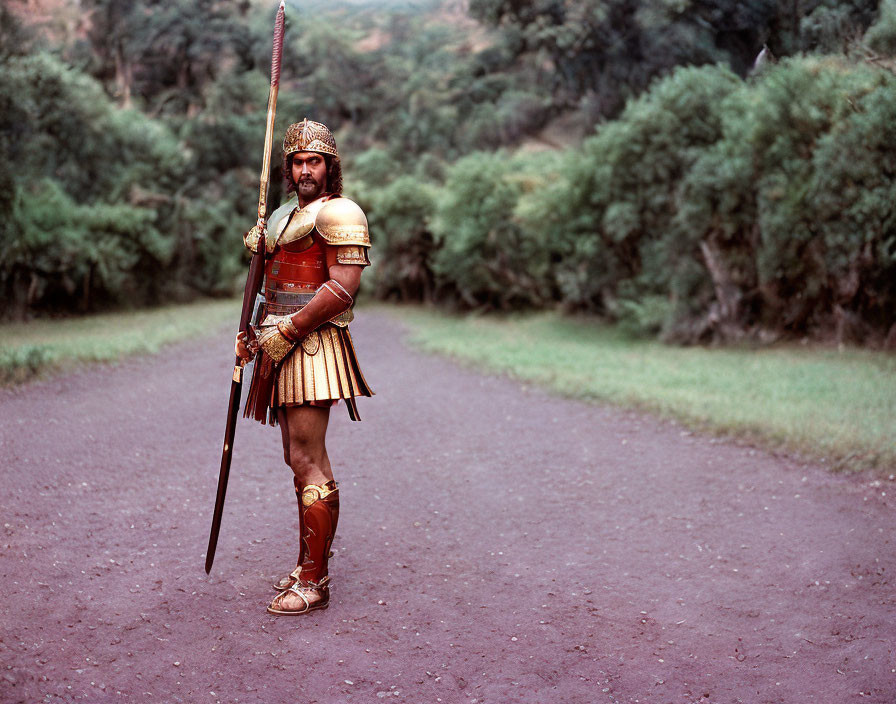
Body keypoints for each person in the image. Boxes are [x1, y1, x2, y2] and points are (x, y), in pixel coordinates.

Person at [236, 118, 373, 616]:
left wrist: (288, 330)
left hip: (312, 346)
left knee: (308, 458)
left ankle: (315, 581)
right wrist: (252, 333)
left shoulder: (341, 213)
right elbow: (269, 288)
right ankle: (306, 565)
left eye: (314, 161)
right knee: (296, 459)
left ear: (329, 166)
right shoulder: (276, 218)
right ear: (288, 169)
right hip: (277, 344)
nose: (305, 169)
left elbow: (342, 288)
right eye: (297, 161)